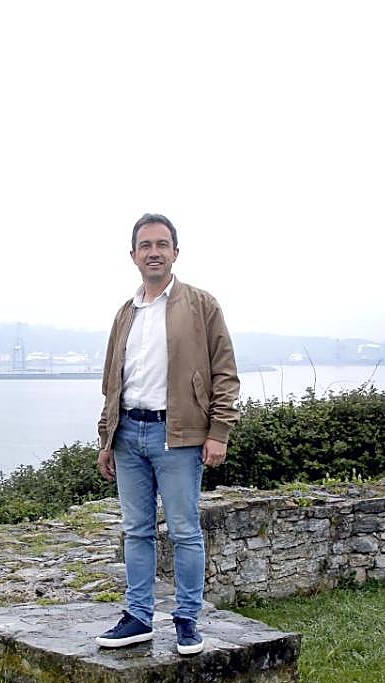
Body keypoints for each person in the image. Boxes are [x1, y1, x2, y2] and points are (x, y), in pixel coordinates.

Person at [95, 213, 240, 655]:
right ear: (133, 255)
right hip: (128, 435)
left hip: (177, 436)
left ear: (176, 252)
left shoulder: (201, 305)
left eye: (162, 244)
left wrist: (219, 431)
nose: (154, 252)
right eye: (146, 245)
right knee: (136, 530)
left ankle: (186, 620)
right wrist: (106, 438)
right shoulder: (126, 313)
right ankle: (138, 617)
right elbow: (112, 381)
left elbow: (225, 373)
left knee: (184, 531)